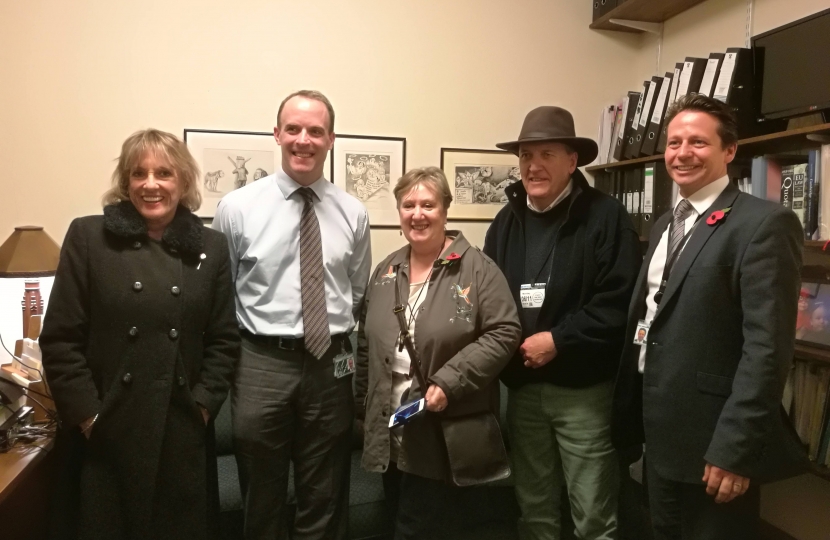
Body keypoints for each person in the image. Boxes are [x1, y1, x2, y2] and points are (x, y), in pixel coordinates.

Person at [612, 94, 809, 540]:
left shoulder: (764, 224)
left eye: (698, 142)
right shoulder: (665, 224)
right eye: (674, 142)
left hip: (714, 445)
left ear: (730, 151)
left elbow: (767, 350)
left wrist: (734, 451)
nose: (682, 154)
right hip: (660, 436)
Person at [40, 129, 240, 540]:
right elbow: (60, 339)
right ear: (125, 182)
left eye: (163, 173)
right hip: (107, 433)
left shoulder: (212, 246)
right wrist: (89, 416)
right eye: (138, 174)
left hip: (180, 431)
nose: (150, 184)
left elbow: (224, 340)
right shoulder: (88, 237)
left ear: (182, 181)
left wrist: (202, 407)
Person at [213, 90, 371, 540]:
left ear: (331, 139)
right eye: (295, 129)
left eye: (316, 131)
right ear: (277, 134)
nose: (304, 140)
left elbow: (356, 292)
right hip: (261, 362)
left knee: (325, 490)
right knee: (261, 492)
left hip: (331, 364)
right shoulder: (237, 208)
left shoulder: (352, 212)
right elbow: (220, 294)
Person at [483, 106, 641, 540]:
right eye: (526, 155)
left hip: (584, 394)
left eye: (547, 154)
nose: (533, 166)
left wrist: (558, 340)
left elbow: (618, 302)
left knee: (593, 514)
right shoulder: (505, 222)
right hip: (523, 392)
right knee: (534, 510)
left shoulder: (606, 217)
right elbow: (490, 299)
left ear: (572, 161)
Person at [355, 167, 521, 540]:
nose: (417, 214)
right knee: (397, 513)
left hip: (442, 429)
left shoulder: (478, 270)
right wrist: (361, 410)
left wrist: (449, 381)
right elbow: (366, 344)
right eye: (408, 205)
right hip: (392, 428)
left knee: (422, 526)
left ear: (445, 209)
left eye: (427, 204)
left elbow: (505, 331)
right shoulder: (386, 270)